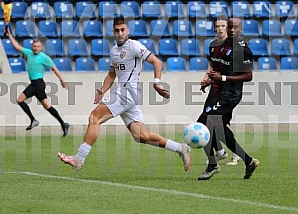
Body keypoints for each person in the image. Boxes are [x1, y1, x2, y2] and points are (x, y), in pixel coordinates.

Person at [58, 15, 191, 171]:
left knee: (94, 117)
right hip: (125, 93)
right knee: (141, 136)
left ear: (127, 30)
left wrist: (156, 83)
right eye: (117, 30)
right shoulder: (114, 51)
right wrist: (103, 90)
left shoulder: (134, 46)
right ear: (113, 32)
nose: (120, 33)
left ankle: (78, 160)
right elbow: (111, 75)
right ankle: (180, 148)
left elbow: (157, 62)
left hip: (128, 92)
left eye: (122, 30)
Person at [197, 17, 259, 180]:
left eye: (235, 27)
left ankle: (212, 164)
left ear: (241, 29)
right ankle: (248, 161)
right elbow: (219, 70)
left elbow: (248, 76)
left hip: (230, 95)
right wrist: (209, 81)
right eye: (229, 27)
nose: (231, 30)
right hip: (215, 92)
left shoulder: (242, 49)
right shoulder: (217, 46)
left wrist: (222, 78)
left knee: (206, 125)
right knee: (214, 128)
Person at [6, 28, 70, 136]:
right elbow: (17, 46)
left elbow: (55, 69)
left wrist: (62, 81)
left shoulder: (44, 57)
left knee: (20, 100)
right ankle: (63, 123)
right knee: (47, 106)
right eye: (34, 46)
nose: (36, 48)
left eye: (38, 47)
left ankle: (33, 120)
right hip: (35, 84)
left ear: (41, 48)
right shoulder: (29, 53)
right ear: (32, 46)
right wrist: (9, 35)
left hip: (38, 84)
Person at [202, 15, 229, 165]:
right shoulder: (213, 45)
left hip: (227, 92)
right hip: (215, 89)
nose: (219, 29)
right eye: (217, 26)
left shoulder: (231, 46)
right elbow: (211, 65)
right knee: (211, 122)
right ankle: (220, 152)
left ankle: (230, 155)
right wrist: (206, 78)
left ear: (227, 28)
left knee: (214, 122)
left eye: (222, 26)